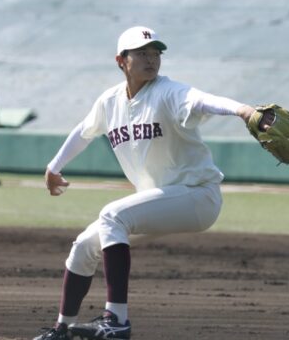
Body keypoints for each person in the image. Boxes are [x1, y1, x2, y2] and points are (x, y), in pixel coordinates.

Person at [33, 26, 276, 340]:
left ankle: (116, 320)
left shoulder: (168, 92)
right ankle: (62, 329)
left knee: (112, 215)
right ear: (121, 60)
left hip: (196, 195)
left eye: (156, 52)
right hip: (159, 200)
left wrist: (244, 110)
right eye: (142, 53)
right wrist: (54, 167)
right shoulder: (109, 102)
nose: (151, 59)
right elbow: (84, 130)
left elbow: (203, 101)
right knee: (83, 247)